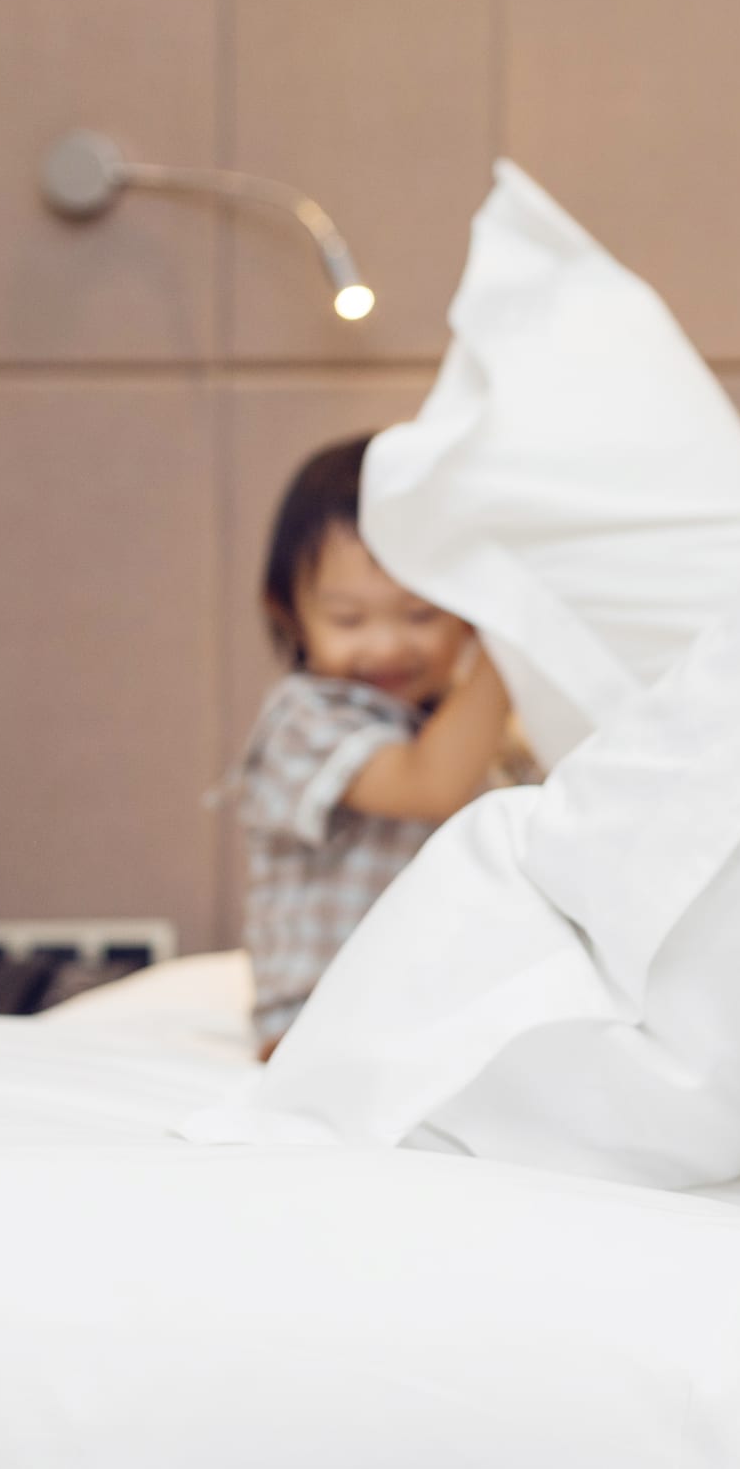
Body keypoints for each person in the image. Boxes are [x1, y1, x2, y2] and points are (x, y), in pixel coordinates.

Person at [226, 435, 518, 1060]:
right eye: (348, 620)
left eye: (418, 616)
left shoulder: (451, 726)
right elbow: (428, 786)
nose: (386, 648)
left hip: (427, 1003)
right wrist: (513, 636)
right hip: (314, 1018)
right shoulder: (302, 720)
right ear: (287, 613)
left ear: (462, 612)